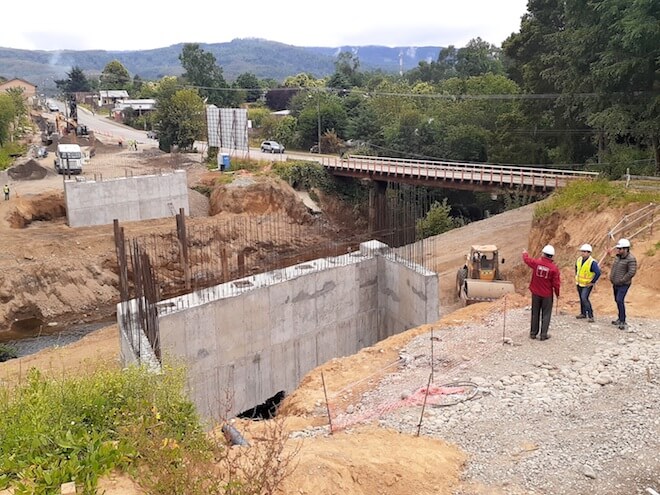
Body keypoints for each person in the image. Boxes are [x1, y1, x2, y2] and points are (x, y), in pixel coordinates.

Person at [522, 245, 561, 341]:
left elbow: (527, 260)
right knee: (546, 314)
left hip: (535, 293)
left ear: (543, 254)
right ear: (552, 256)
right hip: (547, 295)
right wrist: (557, 294)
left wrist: (525, 253)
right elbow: (556, 283)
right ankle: (543, 335)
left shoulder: (537, 263)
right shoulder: (554, 269)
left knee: (535, 313)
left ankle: (533, 333)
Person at [608, 238, 637, 330]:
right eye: (618, 249)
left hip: (623, 284)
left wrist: (622, 280)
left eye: (620, 249)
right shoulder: (617, 257)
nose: (618, 250)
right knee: (617, 300)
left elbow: (632, 272)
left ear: (626, 249)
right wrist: (611, 277)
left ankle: (623, 320)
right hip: (615, 283)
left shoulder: (631, 259)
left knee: (620, 300)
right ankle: (619, 318)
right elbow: (614, 268)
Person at [575, 244, 601, 322]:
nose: (582, 253)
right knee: (581, 298)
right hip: (579, 283)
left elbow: (598, 273)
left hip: (587, 284)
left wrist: (592, 282)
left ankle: (591, 315)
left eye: (584, 252)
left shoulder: (592, 262)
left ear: (589, 253)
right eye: (582, 251)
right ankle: (583, 313)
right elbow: (576, 268)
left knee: (584, 298)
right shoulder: (579, 260)